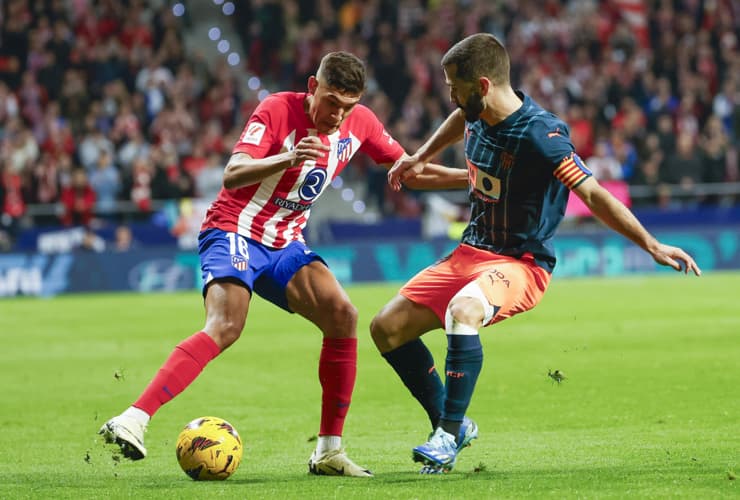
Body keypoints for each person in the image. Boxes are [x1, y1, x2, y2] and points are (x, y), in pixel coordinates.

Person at [99, 51, 467, 477]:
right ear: (313, 88)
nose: (337, 114)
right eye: (331, 101)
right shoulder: (278, 109)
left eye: (347, 106)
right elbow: (234, 172)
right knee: (225, 326)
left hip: (285, 242)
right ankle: (133, 418)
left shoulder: (360, 122)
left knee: (342, 315)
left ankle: (328, 451)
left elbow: (409, 172)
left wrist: (472, 178)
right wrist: (288, 158)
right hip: (234, 230)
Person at [369, 33, 702, 475]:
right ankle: (451, 423)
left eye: (456, 87)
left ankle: (446, 436)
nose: (450, 95)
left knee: (464, 309)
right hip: (471, 249)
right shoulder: (475, 111)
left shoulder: (542, 135)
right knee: (386, 329)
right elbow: (459, 121)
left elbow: (594, 193)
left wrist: (652, 244)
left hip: (521, 263)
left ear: (483, 85)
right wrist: (419, 156)